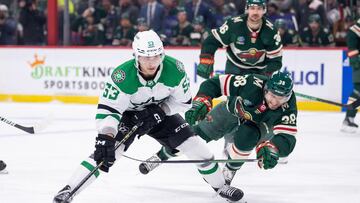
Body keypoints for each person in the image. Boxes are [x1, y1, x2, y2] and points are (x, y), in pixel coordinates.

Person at [53, 30, 243, 203]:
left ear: (162, 53)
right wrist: (107, 135)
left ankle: (221, 186)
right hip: (129, 117)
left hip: (162, 113)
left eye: (156, 56)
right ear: (136, 55)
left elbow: (183, 102)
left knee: (193, 145)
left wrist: (160, 112)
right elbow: (109, 110)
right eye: (145, 57)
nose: (152, 62)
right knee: (108, 153)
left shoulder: (175, 70)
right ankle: (69, 190)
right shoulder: (122, 76)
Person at [139, 71, 297, 187]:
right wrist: (203, 99)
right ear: (266, 89)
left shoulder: (288, 106)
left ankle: (229, 170)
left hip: (259, 125)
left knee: (246, 136)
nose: (275, 102)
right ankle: (161, 156)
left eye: (281, 97)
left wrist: (275, 148)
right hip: (230, 112)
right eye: (273, 96)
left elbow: (287, 137)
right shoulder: (252, 82)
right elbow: (215, 83)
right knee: (191, 136)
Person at [196, 0, 283, 79]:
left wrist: (266, 74)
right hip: (235, 68)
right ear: (247, 9)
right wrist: (205, 61)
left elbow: (276, 60)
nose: (255, 12)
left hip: (259, 70)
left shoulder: (272, 31)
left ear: (264, 10)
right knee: (234, 96)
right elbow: (212, 41)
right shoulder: (233, 25)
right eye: (252, 8)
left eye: (259, 8)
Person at [342, 18, 360, 133]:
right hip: (359, 65)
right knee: (358, 91)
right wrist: (357, 62)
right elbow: (352, 52)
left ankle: (349, 118)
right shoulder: (353, 31)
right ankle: (348, 118)